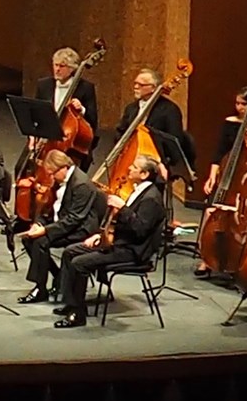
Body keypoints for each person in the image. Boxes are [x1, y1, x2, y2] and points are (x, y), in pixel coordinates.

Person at [54, 154, 170, 327]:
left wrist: (122, 208)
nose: (129, 168)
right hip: (119, 243)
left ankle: (78, 315)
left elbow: (139, 230)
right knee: (70, 252)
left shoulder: (151, 199)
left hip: (132, 251)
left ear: (145, 174)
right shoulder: (139, 190)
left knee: (79, 263)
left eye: (134, 167)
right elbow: (117, 224)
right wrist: (99, 236)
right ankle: (72, 303)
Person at [17, 149, 108, 304]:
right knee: (29, 239)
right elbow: (48, 207)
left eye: (53, 173)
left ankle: (40, 288)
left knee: (40, 241)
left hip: (82, 229)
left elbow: (75, 218)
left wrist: (45, 230)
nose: (51, 177)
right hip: (64, 223)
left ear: (64, 167)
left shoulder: (81, 184)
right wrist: (39, 224)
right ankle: (58, 276)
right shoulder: (61, 180)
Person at [105, 68, 197, 181]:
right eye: (135, 83)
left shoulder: (170, 110)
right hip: (129, 158)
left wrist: (157, 160)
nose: (136, 87)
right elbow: (120, 131)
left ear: (153, 88)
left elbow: (174, 141)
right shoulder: (131, 108)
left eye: (141, 84)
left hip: (155, 164)